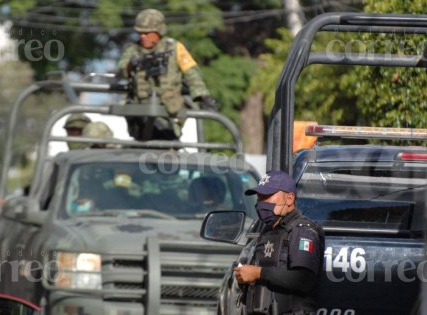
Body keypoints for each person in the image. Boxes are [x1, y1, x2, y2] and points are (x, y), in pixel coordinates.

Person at [117, 8, 218, 141]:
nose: (142, 37)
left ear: (159, 31)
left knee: (167, 143)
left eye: (147, 33)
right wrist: (132, 64)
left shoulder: (174, 48)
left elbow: (192, 73)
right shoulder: (133, 50)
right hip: (140, 110)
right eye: (140, 33)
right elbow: (122, 72)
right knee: (141, 146)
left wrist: (203, 96)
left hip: (169, 111)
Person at [234, 170, 324, 315]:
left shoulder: (302, 231)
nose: (261, 203)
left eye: (266, 197)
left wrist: (258, 273)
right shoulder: (266, 232)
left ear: (289, 199)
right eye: (259, 198)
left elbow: (304, 279)